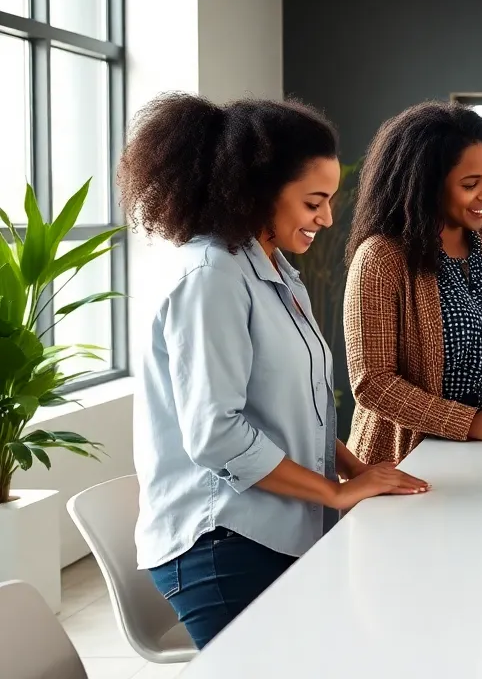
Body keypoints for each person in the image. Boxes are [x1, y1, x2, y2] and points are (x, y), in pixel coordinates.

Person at [120, 93, 429, 649]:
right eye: (314, 201)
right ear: (259, 190)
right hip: (222, 542)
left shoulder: (275, 271)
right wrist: (333, 494)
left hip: (277, 527)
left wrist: (355, 470)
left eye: (330, 200)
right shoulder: (210, 277)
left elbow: (294, 405)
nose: (327, 217)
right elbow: (216, 435)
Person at [343, 100, 482, 465]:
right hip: (400, 465)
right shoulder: (381, 258)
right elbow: (372, 382)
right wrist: (470, 423)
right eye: (470, 184)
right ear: (427, 186)